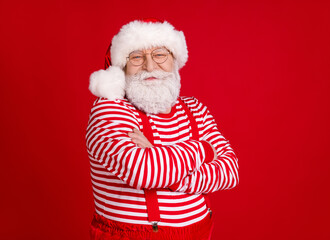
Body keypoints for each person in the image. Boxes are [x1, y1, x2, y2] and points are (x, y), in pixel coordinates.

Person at [86, 18, 239, 240]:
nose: (149, 65)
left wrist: (170, 173)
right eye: (137, 57)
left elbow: (230, 171)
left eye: (159, 54)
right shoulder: (109, 108)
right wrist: (205, 150)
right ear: (123, 66)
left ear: (175, 60)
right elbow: (143, 172)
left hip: (200, 232)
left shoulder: (195, 108)